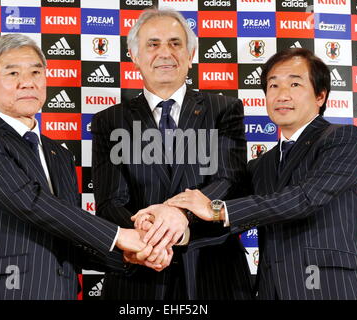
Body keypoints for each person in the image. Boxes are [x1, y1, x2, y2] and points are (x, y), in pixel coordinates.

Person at [160, 48, 357, 300]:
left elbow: (304, 198)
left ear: (320, 96)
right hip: (272, 290)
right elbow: (231, 218)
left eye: (295, 84)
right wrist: (173, 231)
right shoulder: (260, 165)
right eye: (273, 86)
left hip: (331, 288)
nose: (282, 94)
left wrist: (216, 209)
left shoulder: (344, 138)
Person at [0, 34, 151, 300]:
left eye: (36, 72)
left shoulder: (60, 155)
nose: (27, 82)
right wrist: (118, 235)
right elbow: (29, 202)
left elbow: (67, 233)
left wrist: (125, 257)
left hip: (59, 291)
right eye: (12, 73)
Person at [92, 8, 253, 300]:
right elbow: (110, 201)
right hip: (140, 276)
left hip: (214, 273)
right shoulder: (108, 121)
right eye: (153, 44)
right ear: (134, 55)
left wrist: (181, 214)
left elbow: (229, 181)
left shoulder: (224, 110)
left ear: (190, 55)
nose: (165, 52)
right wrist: (148, 235)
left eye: (176, 43)